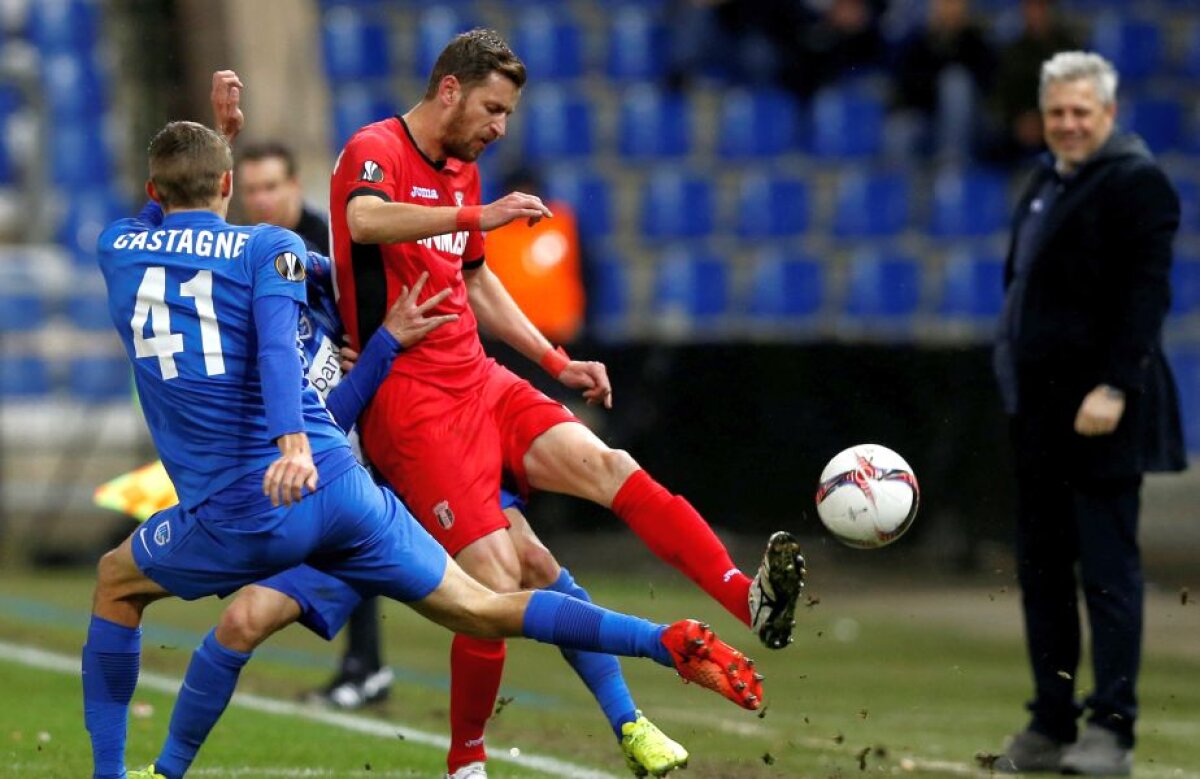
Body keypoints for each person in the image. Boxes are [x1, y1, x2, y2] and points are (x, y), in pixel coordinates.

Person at [85, 117, 765, 779]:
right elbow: (275, 342)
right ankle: (661, 640)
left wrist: (341, 387)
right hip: (346, 485)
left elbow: (188, 239)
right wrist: (378, 348)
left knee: (121, 580)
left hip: (273, 495)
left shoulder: (120, 248)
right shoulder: (281, 256)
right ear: (232, 185)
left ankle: (120, 772)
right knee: (483, 602)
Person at [330, 28, 806, 778]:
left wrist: (556, 360)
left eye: (510, 114)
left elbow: (478, 281)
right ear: (449, 89)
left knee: (608, 464)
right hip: (410, 408)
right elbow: (362, 220)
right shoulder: (376, 148)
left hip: (481, 380)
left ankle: (744, 597)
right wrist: (473, 217)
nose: (500, 127)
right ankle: (467, 761)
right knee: (500, 577)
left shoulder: (461, 167)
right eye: (493, 108)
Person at [992, 51, 1186, 776]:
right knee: (1043, 574)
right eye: (1057, 113)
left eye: (1082, 112)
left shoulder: (1138, 185)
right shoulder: (1047, 182)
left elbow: (1147, 295)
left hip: (1104, 412)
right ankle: (1049, 721)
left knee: (1107, 574)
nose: (1069, 124)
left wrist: (1114, 386)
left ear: (1109, 114)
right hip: (1039, 414)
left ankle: (1113, 728)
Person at [235, 139, 329, 255]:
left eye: (270, 187)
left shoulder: (328, 241)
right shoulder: (235, 245)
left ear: (294, 185)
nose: (260, 200)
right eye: (250, 190)